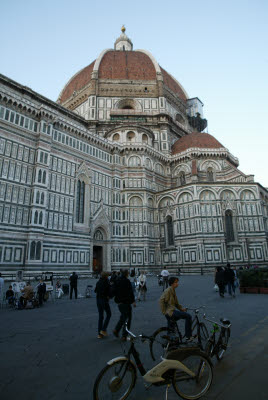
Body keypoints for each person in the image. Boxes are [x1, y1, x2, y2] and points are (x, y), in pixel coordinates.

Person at [159, 276, 193, 341]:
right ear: (172, 283)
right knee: (188, 316)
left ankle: (170, 341)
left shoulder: (172, 290)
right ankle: (188, 336)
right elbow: (161, 301)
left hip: (170, 311)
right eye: (176, 282)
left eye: (177, 282)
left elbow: (176, 303)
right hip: (170, 312)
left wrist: (181, 309)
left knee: (171, 328)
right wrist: (164, 312)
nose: (177, 284)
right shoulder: (168, 291)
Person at [113, 269, 136, 341]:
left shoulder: (117, 280)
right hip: (126, 302)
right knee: (128, 318)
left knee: (123, 316)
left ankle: (116, 330)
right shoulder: (127, 281)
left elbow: (113, 290)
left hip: (119, 303)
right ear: (126, 274)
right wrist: (133, 301)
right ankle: (124, 335)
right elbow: (130, 292)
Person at [95, 272, 112, 339]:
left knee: (101, 316)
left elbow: (95, 290)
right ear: (106, 276)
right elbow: (110, 292)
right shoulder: (106, 282)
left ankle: (99, 334)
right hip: (104, 300)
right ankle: (103, 330)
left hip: (98, 300)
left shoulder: (98, 282)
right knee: (109, 314)